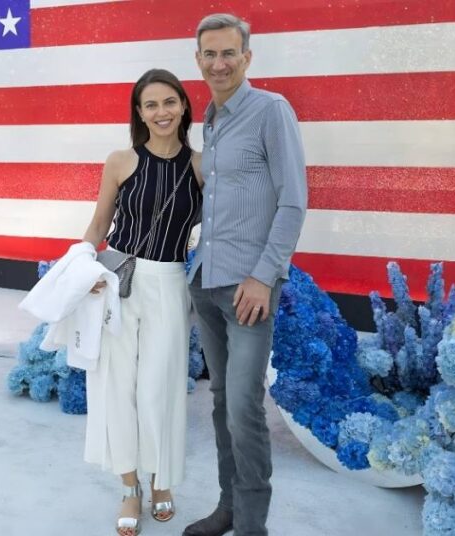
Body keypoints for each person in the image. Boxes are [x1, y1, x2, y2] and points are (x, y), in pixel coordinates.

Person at [182, 13, 307, 536]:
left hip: (249, 289)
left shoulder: (270, 111)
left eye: (228, 52)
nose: (219, 62)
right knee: (217, 402)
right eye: (209, 54)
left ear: (247, 56)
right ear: (199, 60)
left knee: (243, 408)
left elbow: (294, 201)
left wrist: (263, 275)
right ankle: (228, 507)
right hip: (207, 282)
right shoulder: (210, 119)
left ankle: (253, 526)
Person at [81, 68, 203, 536]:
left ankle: (162, 482)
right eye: (150, 104)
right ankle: (130, 487)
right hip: (116, 282)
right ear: (139, 112)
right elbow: (98, 226)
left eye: (169, 102)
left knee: (161, 388)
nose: (161, 112)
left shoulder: (199, 166)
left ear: (183, 106)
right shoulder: (120, 161)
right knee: (118, 387)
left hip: (169, 284)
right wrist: (85, 270)